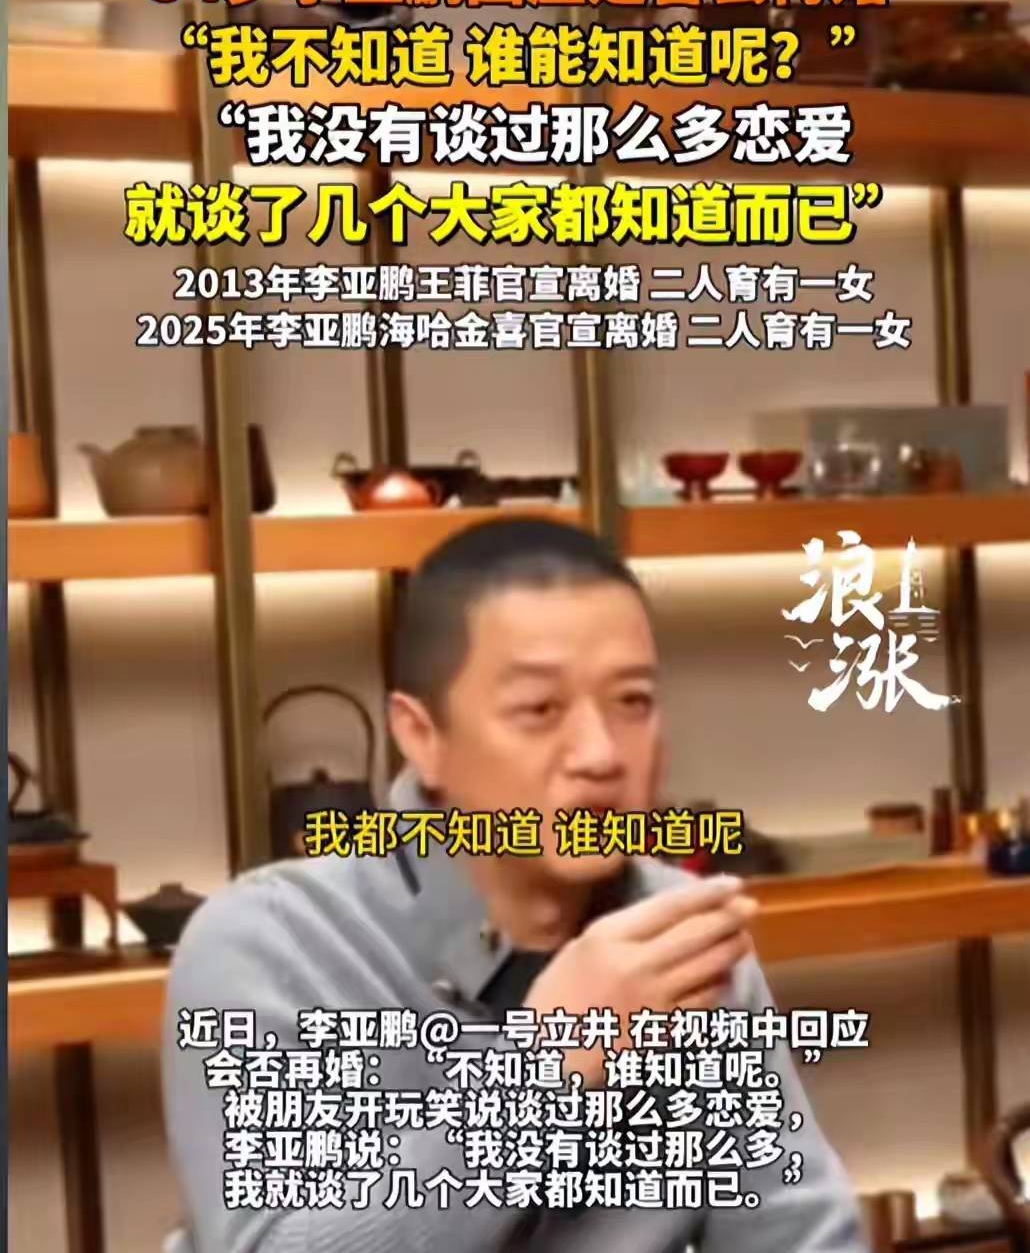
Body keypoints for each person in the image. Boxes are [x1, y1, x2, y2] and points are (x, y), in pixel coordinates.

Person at [162, 517, 869, 1253]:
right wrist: (545, 1070)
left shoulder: (678, 933)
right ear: (421, 737)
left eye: (632, 702)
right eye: (540, 710)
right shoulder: (271, 943)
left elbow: (799, 1236)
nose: (600, 754)